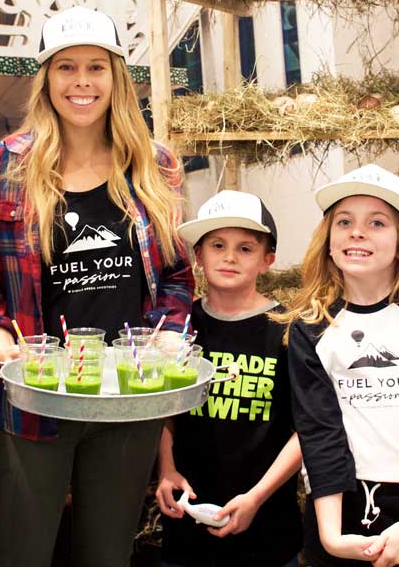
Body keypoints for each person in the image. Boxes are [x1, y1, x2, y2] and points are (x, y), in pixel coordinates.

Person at [0, 5, 194, 566]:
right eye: (65, 68)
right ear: (46, 79)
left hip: (127, 397)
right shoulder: (4, 164)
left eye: (95, 67)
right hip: (35, 396)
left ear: (116, 78)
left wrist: (169, 334)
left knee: (107, 553)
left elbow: (178, 276)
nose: (81, 83)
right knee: (19, 551)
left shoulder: (154, 166)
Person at [281, 164, 399, 567]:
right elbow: (319, 433)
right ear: (329, 243)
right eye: (344, 222)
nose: (357, 232)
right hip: (337, 509)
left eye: (376, 222)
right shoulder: (310, 330)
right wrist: (332, 539)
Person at [156, 190, 303, 567]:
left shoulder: (288, 331)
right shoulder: (179, 330)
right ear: (198, 256)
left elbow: (307, 429)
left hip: (268, 530)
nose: (229, 257)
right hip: (186, 528)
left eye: (245, 248)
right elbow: (162, 411)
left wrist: (256, 497)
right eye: (217, 245)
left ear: (267, 260)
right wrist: (167, 470)